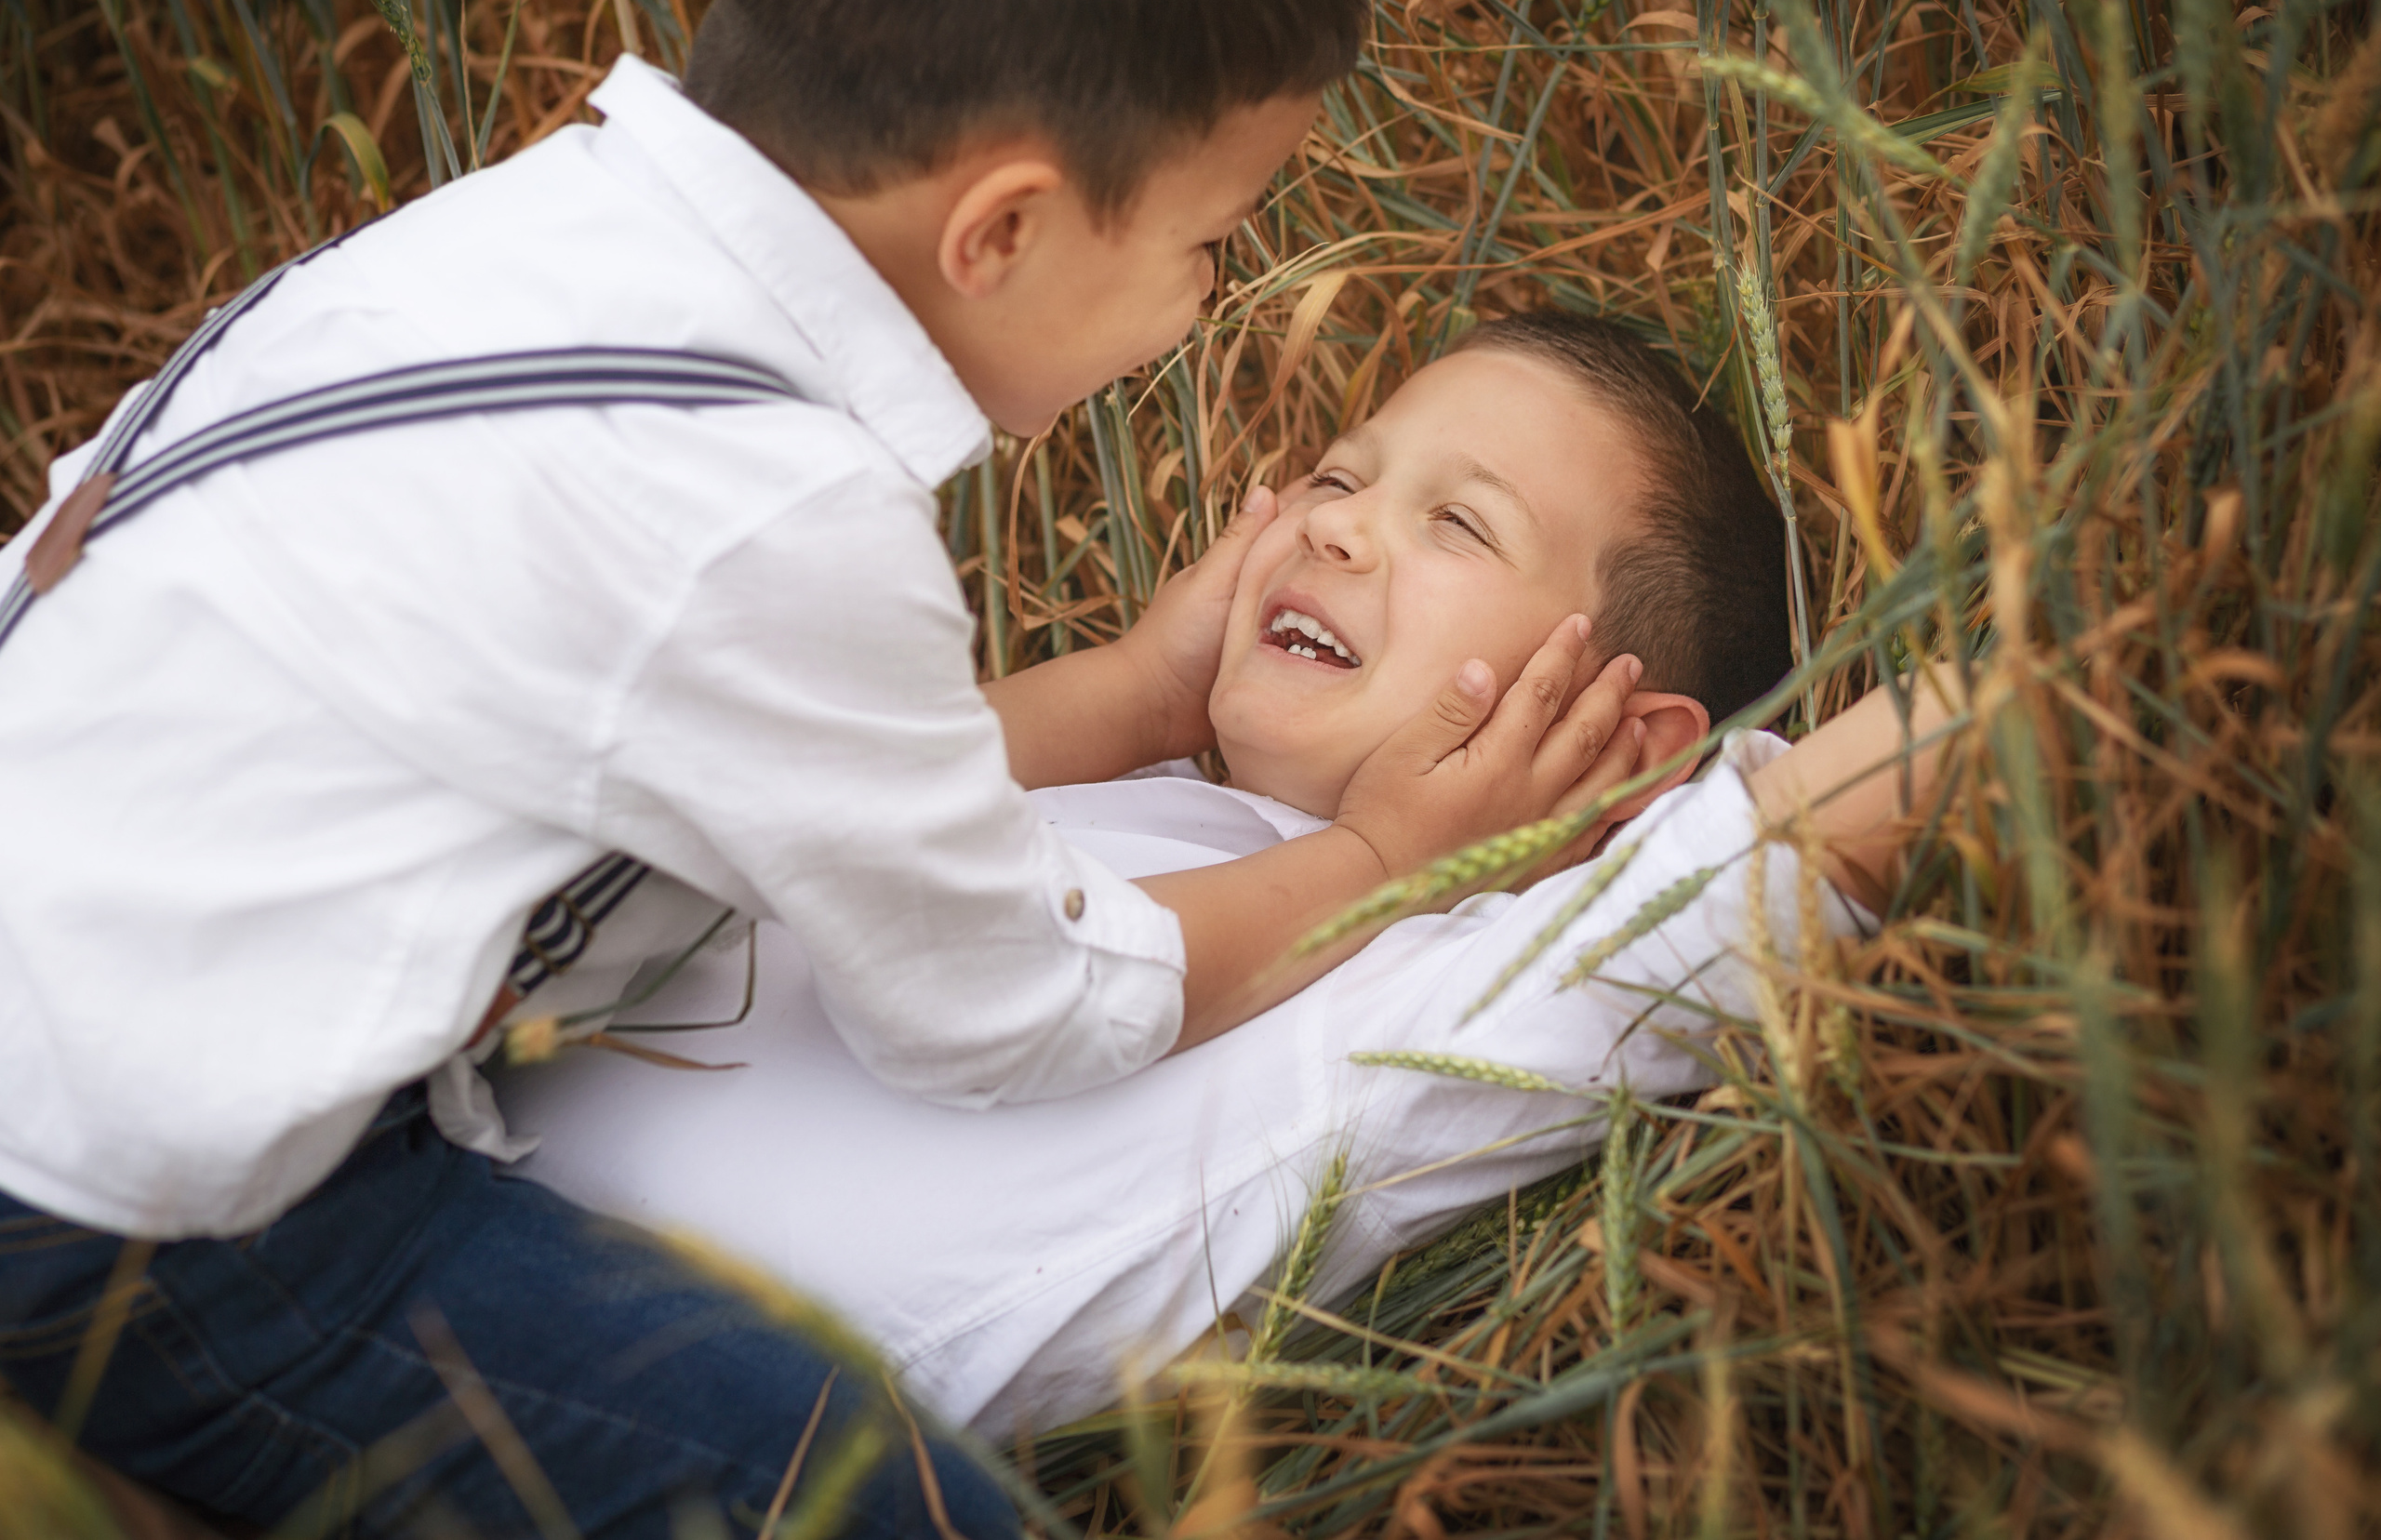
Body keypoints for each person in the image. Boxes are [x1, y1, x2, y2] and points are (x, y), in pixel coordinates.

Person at [0, 0, 1636, 1537]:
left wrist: (1144, 689)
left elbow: (799, 789)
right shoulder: (773, 506)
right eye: (1207, 243)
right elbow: (1013, 1010)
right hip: (125, 1201)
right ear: (1003, 232)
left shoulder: (513, 238)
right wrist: (1378, 864)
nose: (1208, 295)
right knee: (869, 1496)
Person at [491, 313, 1967, 1435]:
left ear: (1613, 743)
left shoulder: (1480, 979)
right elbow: (813, 799)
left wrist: (1441, 851)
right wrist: (1145, 686)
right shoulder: (1138, 791)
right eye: (1340, 473)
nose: (1331, 520)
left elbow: (1895, 773)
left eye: (1456, 523)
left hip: (593, 1402)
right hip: (413, 1177)